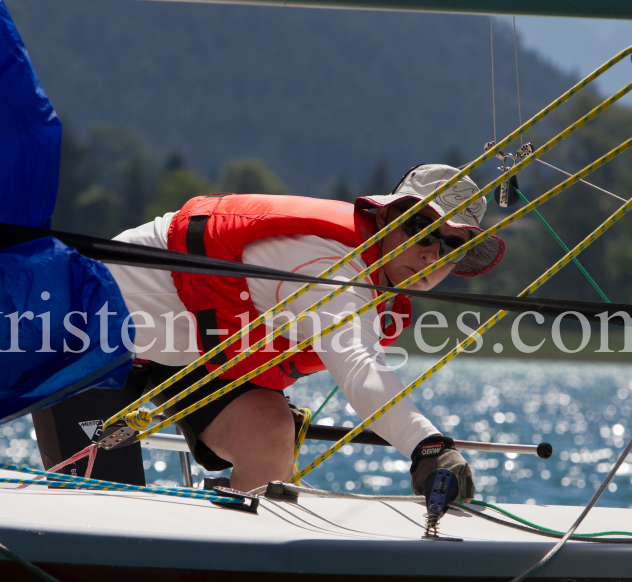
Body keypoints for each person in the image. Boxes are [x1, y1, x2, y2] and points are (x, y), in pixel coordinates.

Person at [33, 164, 504, 500]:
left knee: (271, 436)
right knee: (109, 504)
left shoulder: (371, 285)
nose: (432, 254)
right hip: (88, 338)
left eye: (453, 247)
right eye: (422, 229)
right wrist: (428, 446)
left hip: (189, 359)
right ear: (385, 218)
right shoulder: (329, 267)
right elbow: (360, 369)